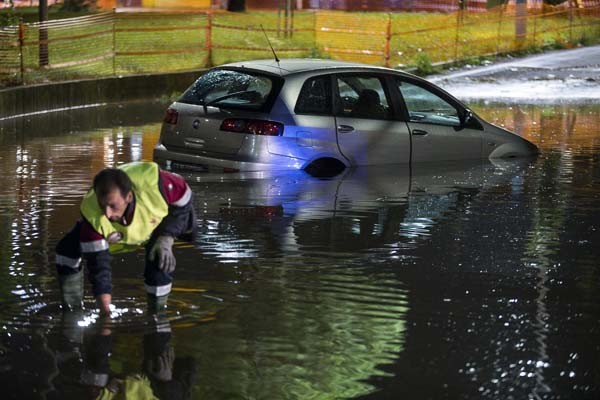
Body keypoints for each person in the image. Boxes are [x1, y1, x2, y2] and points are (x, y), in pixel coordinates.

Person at [55, 161, 196, 315]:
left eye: (113, 206)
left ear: (128, 197)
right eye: (103, 206)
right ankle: (72, 312)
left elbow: (185, 202)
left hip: (158, 224)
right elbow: (99, 268)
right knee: (66, 251)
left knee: (160, 258)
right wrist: (106, 314)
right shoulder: (92, 216)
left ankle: (158, 313)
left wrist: (167, 237)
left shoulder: (159, 184)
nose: (107, 214)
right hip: (121, 234)